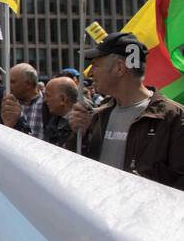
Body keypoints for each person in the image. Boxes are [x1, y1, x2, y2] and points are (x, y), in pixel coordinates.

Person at [65, 32, 184, 188]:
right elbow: (74, 170)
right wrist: (82, 135)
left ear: (120, 68)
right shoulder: (97, 116)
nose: (90, 72)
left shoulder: (173, 118)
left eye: (96, 64)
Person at [37, 75, 78, 148]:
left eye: (48, 96)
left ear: (63, 99)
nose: (45, 100)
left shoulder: (83, 125)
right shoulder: (53, 119)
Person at [8, 63, 46, 138]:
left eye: (12, 82)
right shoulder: (8, 104)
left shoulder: (48, 104)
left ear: (28, 84)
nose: (8, 85)